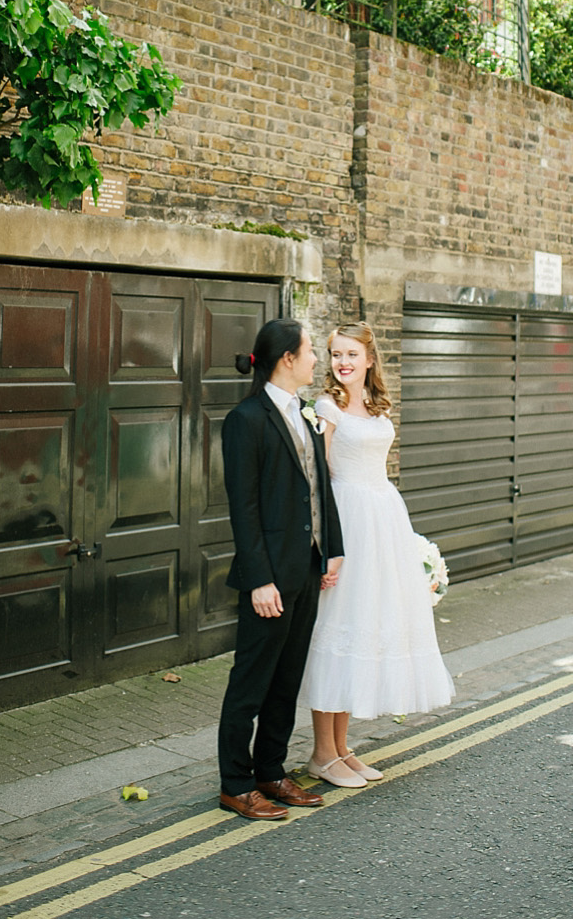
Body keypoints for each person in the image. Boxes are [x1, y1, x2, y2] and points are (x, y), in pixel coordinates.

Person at [299, 321, 455, 788]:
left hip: (382, 519)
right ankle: (321, 753)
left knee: (361, 630)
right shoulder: (325, 408)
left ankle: (343, 750)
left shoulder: (377, 406)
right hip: (347, 520)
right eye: (335, 355)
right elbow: (317, 482)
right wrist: (326, 547)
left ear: (369, 359)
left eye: (351, 354)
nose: (342, 363)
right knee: (336, 630)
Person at [217, 318, 345, 820]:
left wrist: (330, 549)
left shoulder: (306, 414)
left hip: (307, 569)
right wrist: (258, 580)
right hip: (268, 578)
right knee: (250, 681)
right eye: (312, 351)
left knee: (287, 679)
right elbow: (242, 508)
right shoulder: (245, 420)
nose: (318, 359)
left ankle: (271, 771)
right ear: (287, 359)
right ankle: (235, 782)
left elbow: (321, 490)